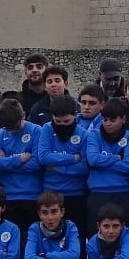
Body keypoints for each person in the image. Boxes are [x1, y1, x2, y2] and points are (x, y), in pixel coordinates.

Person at [0, 99, 46, 225]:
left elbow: (36, 163)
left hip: (32, 196)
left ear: (23, 115)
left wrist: (6, 161)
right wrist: (19, 159)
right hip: (8, 197)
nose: (13, 131)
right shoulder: (0, 134)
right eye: (8, 128)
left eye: (15, 126)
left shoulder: (37, 131)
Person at [37, 96, 90, 227]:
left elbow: (84, 167)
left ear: (75, 115)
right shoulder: (47, 129)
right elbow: (43, 157)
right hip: (50, 192)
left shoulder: (84, 134)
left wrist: (57, 168)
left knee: (78, 236)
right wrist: (73, 158)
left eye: (66, 121)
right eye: (57, 121)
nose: (61, 125)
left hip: (76, 193)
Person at [83, 99, 129, 223]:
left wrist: (102, 163)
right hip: (98, 192)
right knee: (96, 235)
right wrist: (116, 158)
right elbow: (92, 160)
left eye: (112, 120)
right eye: (105, 120)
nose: (108, 124)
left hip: (123, 193)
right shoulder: (94, 135)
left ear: (123, 119)